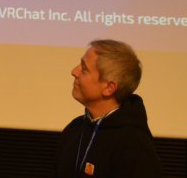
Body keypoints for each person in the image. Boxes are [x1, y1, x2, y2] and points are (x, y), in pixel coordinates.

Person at [55, 39, 162, 178]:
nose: (74, 71)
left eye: (84, 69)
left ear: (108, 88)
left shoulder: (134, 145)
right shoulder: (74, 129)